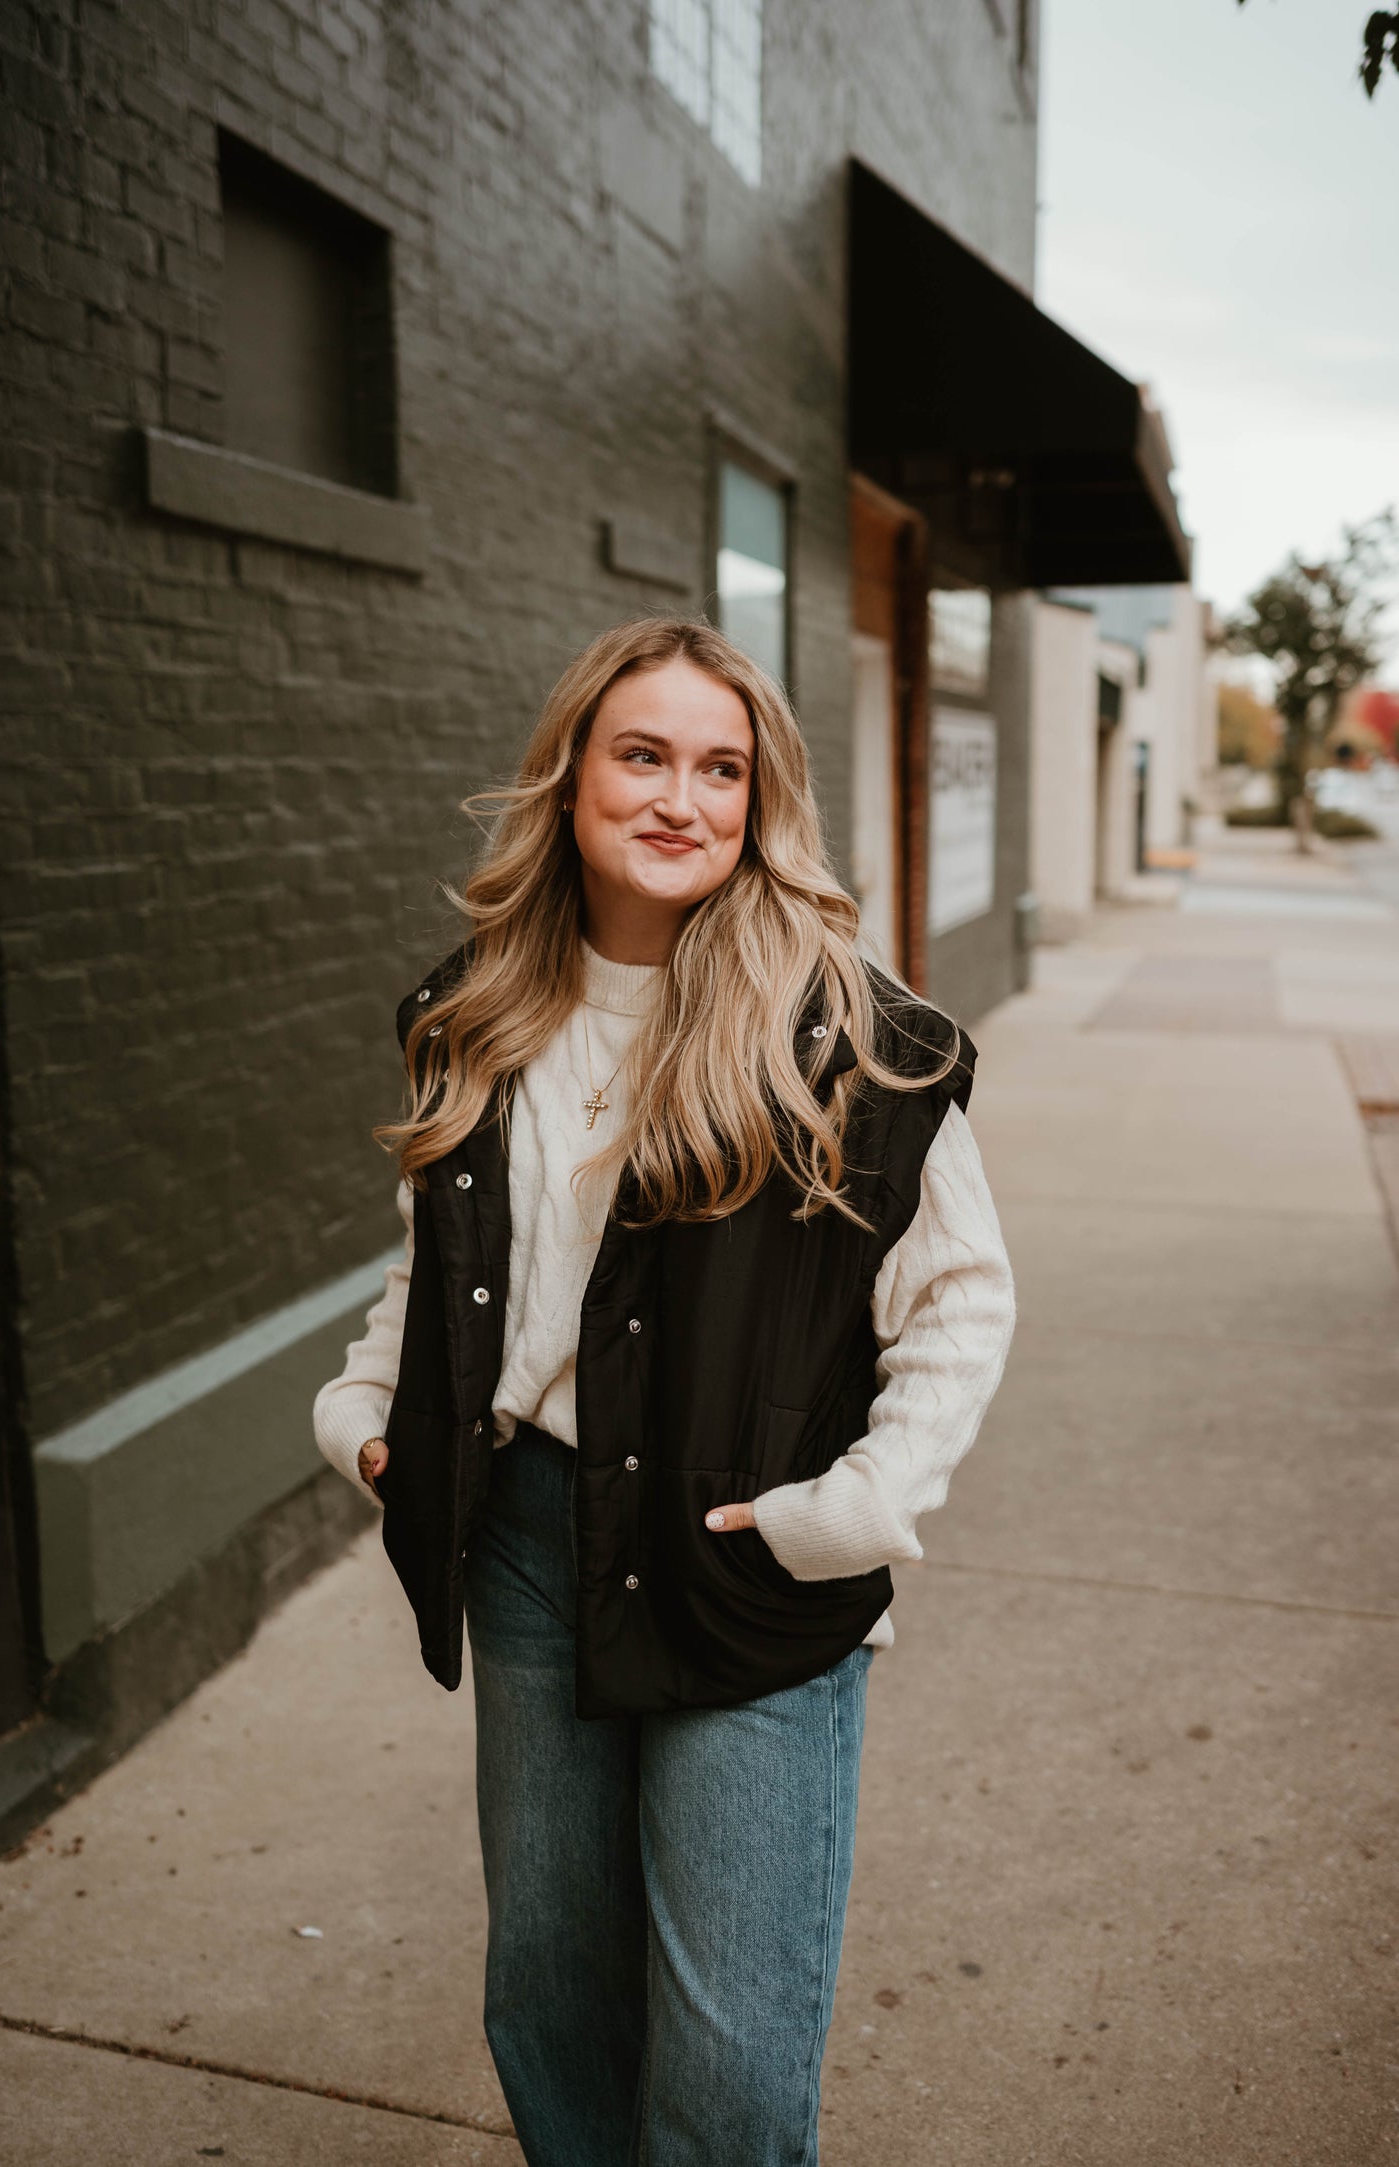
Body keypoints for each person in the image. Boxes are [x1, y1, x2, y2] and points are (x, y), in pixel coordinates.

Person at [314, 616, 1016, 2167]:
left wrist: (855, 1512)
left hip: (741, 1552)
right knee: (552, 1997)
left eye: (721, 768)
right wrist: (363, 1417)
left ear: (761, 801)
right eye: (643, 756)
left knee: (726, 2058)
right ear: (571, 776)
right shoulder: (473, 1017)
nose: (681, 799)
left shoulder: (849, 1036)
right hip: (530, 1544)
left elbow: (960, 1299)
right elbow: (436, 1265)